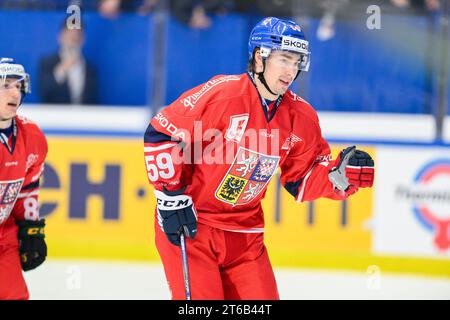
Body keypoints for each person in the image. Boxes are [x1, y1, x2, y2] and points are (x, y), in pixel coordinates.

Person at [143, 17, 375, 300]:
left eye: (296, 62)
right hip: (194, 228)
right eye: (284, 59)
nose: (291, 70)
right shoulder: (222, 94)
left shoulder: (301, 117)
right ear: (259, 56)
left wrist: (338, 178)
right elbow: (161, 132)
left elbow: (300, 179)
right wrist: (170, 196)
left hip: (246, 238)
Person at [0, 58, 48, 300]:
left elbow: (27, 188)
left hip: (3, 235)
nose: (14, 92)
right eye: (6, 85)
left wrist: (31, 229)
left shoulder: (32, 137)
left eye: (18, 86)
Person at [38, 22, 97, 105]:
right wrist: (61, 71)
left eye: (78, 34)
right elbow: (44, 93)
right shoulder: (48, 63)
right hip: (55, 115)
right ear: (61, 36)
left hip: (83, 116)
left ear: (83, 39)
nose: (74, 37)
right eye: (70, 34)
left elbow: (92, 100)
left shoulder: (90, 68)